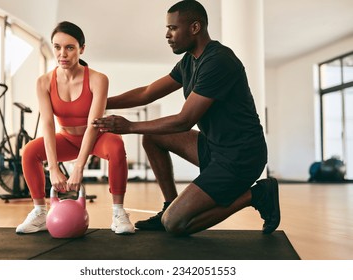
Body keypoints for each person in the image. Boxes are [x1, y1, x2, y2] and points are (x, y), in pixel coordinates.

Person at [93, 0, 280, 236]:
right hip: (214, 148)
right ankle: (168, 205)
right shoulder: (189, 62)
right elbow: (147, 93)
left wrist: (130, 126)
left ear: (194, 27)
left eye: (173, 28)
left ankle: (257, 194)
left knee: (175, 224)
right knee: (152, 137)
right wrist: (100, 102)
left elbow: (184, 120)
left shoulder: (219, 61)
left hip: (241, 157)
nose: (167, 35)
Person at [16, 21, 135, 235]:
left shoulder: (98, 79)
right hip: (67, 139)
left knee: (117, 145)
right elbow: (48, 123)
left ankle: (118, 212)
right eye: (57, 47)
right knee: (30, 152)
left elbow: (93, 123)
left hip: (97, 138)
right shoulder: (44, 82)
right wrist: (53, 168)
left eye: (70, 47)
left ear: (82, 49)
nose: (63, 53)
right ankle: (40, 212)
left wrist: (79, 168)